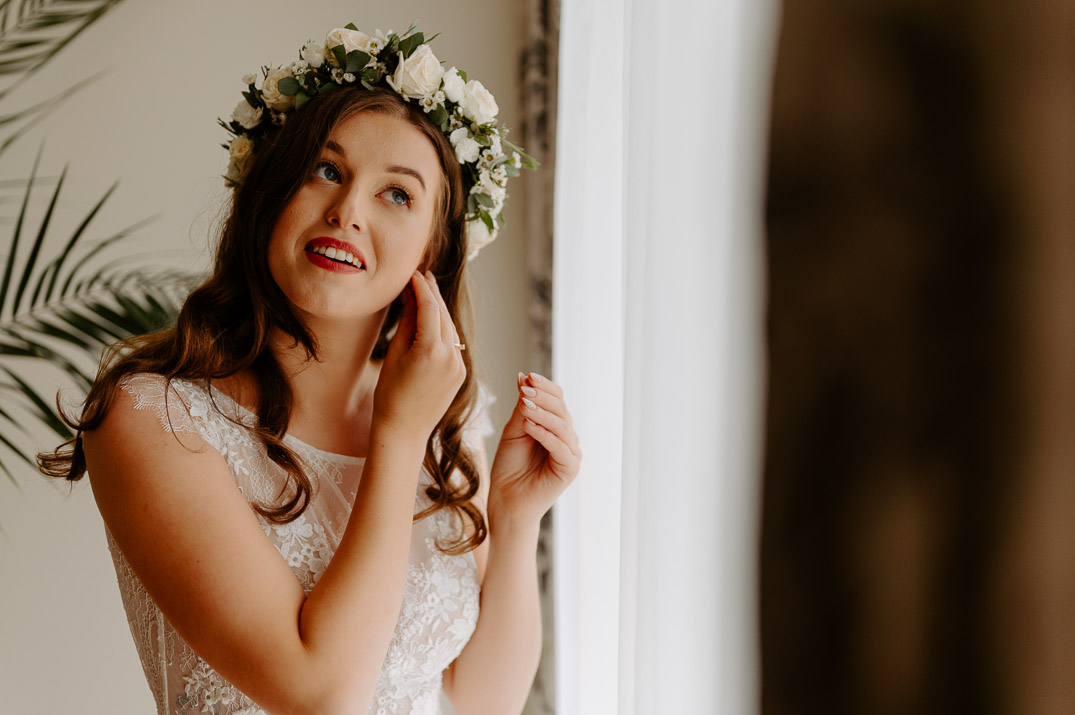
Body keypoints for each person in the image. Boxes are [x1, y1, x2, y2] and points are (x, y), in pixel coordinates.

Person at [38, 24, 580, 715]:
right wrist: (396, 435)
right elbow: (321, 696)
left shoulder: (445, 421)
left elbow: (483, 700)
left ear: (433, 251)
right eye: (326, 170)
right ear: (271, 191)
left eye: (397, 194)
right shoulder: (152, 418)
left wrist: (516, 515)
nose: (347, 211)